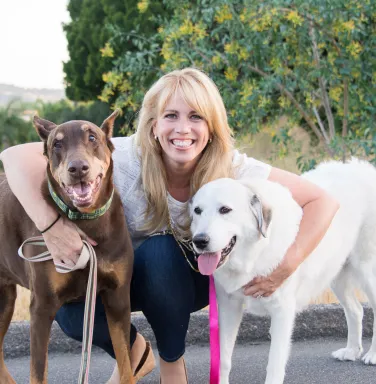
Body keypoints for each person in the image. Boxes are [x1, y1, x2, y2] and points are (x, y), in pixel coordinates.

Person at [0, 68, 339, 384]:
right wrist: (51, 226)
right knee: (72, 314)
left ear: (212, 127)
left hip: (189, 279)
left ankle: (171, 362)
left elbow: (323, 201)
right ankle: (135, 353)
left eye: (196, 117)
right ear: (152, 124)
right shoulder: (121, 154)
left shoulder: (232, 167)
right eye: (171, 116)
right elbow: (14, 157)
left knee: (162, 254)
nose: (182, 129)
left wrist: (288, 263)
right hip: (121, 278)